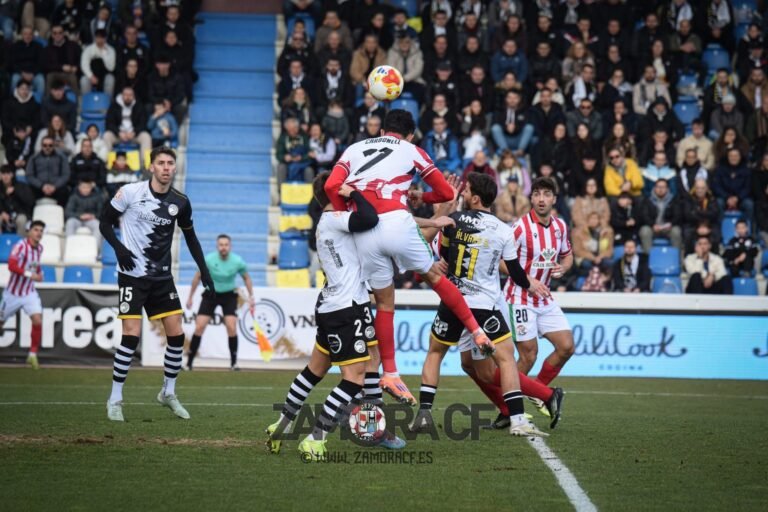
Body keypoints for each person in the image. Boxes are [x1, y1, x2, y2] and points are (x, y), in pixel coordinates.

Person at [324, 110, 494, 405]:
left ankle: (390, 372)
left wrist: (344, 215)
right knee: (435, 277)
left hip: (364, 231)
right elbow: (443, 193)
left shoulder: (353, 149)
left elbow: (329, 186)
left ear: (382, 128)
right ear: (411, 134)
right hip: (398, 224)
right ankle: (477, 331)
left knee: (385, 304)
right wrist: (420, 197)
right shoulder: (413, 150)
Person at [266, 173, 405, 461]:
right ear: (333, 193)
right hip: (346, 307)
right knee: (354, 378)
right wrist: (354, 193)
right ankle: (315, 439)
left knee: (317, 370)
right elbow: (370, 218)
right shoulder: (335, 219)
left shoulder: (327, 223)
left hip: (333, 303)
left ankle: (282, 423)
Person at [412, 173, 558, 437]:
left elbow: (444, 256)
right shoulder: (504, 230)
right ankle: (517, 420)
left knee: (435, 353)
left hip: (452, 301)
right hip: (484, 306)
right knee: (505, 360)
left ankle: (423, 415)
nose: (463, 194)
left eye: (466, 191)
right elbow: (514, 272)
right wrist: (529, 284)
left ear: (475, 197)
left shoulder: (452, 221)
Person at [101, 147, 215, 422]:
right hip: (131, 275)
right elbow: (105, 222)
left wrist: (205, 271)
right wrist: (118, 248)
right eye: (161, 163)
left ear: (175, 168)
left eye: (170, 163)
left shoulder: (181, 202)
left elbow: (191, 238)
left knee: (177, 336)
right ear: (151, 167)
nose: (166, 167)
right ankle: (115, 399)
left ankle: (168, 393)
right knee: (131, 336)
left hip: (162, 277)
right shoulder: (130, 192)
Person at [503, 177, 574, 406]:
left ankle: (539, 393)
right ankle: (506, 409)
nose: (541, 199)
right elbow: (501, 261)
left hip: (544, 299)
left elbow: (568, 254)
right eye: (537, 194)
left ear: (554, 199)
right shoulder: (520, 227)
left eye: (546, 194)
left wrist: (564, 267)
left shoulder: (560, 226)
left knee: (566, 347)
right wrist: (527, 280)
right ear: (531, 198)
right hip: (519, 298)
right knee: (528, 355)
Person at [185, 235, 254, 371]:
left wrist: (251, 297)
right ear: (217, 246)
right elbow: (197, 277)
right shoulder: (209, 259)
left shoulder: (238, 261)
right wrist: (190, 297)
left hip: (229, 295)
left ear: (230, 246)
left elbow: (247, 278)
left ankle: (234, 364)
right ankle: (189, 364)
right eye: (221, 245)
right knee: (199, 327)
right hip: (210, 294)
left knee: (232, 327)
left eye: (226, 245)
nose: (223, 247)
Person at [0, 220, 45, 369]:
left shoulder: (39, 249)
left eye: (41, 230)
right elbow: (12, 265)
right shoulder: (20, 246)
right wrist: (30, 275)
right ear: (29, 231)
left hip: (29, 292)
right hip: (12, 293)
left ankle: (32, 355)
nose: (39, 233)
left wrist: (39, 274)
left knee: (38, 320)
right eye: (36, 230)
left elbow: (35, 266)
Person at [638, 179, 682, 253]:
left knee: (676, 231)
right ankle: (648, 258)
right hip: (653, 228)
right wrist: (652, 225)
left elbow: (678, 215)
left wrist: (671, 224)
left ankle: (677, 258)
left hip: (668, 228)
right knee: (644, 231)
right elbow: (644, 215)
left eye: (663, 187)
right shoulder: (647, 200)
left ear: (667, 189)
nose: (660, 189)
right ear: (654, 188)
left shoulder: (673, 200)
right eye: (658, 187)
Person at [25, 135, 70, 205]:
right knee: (28, 191)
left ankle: (62, 214)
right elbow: (29, 175)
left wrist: (55, 186)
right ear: (41, 146)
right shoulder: (34, 158)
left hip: (56, 187)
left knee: (65, 191)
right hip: (39, 187)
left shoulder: (61, 157)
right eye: (45, 145)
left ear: (54, 146)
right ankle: (30, 215)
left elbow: (65, 174)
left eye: (50, 145)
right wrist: (41, 186)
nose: (47, 148)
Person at [712, 148, 754, 222]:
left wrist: (737, 198)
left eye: (736, 156)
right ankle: (719, 229)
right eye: (731, 156)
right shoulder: (720, 169)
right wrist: (727, 197)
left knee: (749, 204)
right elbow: (716, 186)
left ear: (740, 157)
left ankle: (746, 230)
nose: (733, 158)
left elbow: (748, 187)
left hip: (741, 199)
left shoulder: (746, 170)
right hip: (724, 198)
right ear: (727, 157)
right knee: (718, 203)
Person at [0, 165, 35, 236]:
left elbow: (30, 202)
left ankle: (21, 244)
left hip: (20, 214)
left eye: (8, 173)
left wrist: (16, 191)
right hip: (4, 215)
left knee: (21, 220)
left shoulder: (22, 186)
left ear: (12, 174)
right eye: (3, 174)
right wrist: (2, 212)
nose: (5, 176)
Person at [79, 29, 116, 96]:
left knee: (110, 79)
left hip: (105, 75)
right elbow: (84, 65)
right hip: (91, 74)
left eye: (102, 37)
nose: (100, 40)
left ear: (105, 38)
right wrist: (91, 76)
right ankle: (87, 102)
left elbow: (111, 68)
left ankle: (107, 103)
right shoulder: (88, 49)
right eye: (98, 37)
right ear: (95, 38)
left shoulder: (111, 50)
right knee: (83, 80)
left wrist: (104, 54)